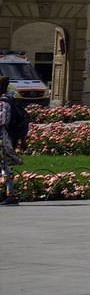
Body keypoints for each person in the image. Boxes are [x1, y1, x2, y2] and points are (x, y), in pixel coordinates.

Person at [0, 75, 22, 205]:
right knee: (5, 166)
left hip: (2, 139)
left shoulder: (3, 102)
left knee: (6, 166)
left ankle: (11, 195)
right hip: (3, 138)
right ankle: (10, 194)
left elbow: (3, 121)